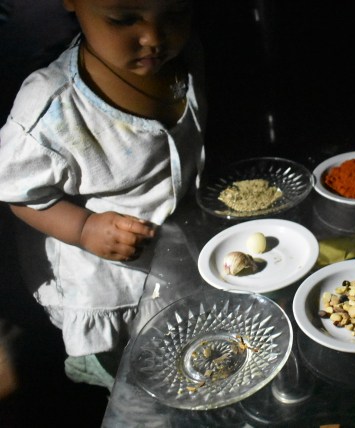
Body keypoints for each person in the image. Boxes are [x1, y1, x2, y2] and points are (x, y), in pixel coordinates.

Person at [0, 0, 206, 390]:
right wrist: (84, 228)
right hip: (109, 284)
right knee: (139, 379)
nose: (154, 38)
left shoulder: (184, 57)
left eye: (176, 14)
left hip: (172, 256)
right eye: (124, 19)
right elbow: (14, 188)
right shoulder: (52, 106)